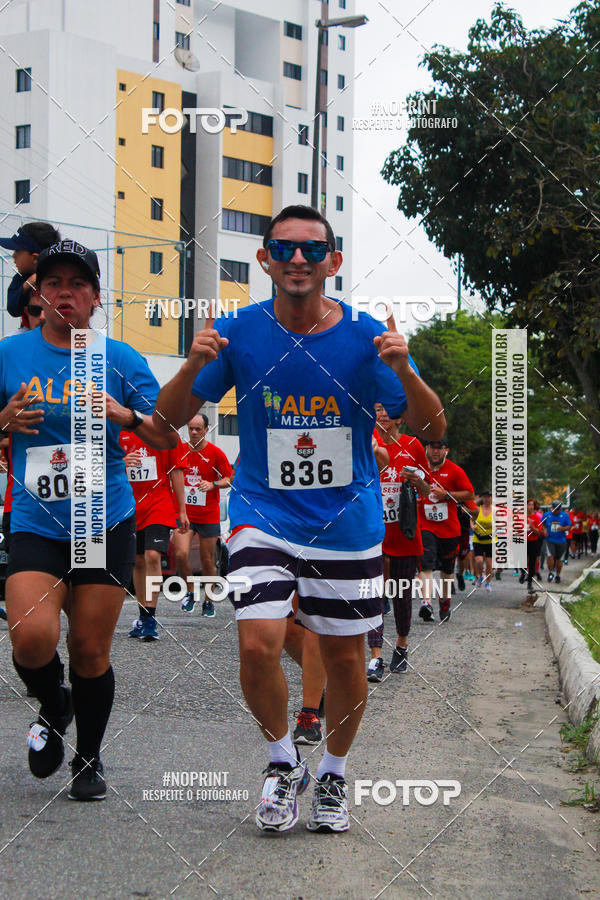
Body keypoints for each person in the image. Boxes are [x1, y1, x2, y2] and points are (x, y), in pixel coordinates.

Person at [153, 204, 445, 834]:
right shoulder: (238, 332)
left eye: (312, 249)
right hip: (262, 511)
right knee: (257, 641)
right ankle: (283, 762)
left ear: (332, 262)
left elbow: (431, 427)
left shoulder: (368, 337)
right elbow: (166, 419)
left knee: (344, 659)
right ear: (264, 260)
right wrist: (191, 365)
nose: (297, 259)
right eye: (283, 248)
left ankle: (334, 773)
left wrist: (402, 369)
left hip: (345, 522)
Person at [1, 240, 175, 801]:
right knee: (31, 639)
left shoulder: (120, 358)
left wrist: (124, 414)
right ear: (38, 292)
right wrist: (3, 420)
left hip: (102, 520)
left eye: (78, 283)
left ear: (96, 297)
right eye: (53, 282)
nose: (65, 293)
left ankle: (88, 757)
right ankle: (55, 705)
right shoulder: (9, 355)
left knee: (90, 650)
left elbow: (165, 435)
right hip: (36, 520)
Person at [367, 404, 429, 680]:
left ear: (400, 417)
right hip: (372, 533)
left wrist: (416, 481)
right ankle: (375, 656)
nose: (382, 415)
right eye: (377, 410)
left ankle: (402, 645)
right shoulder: (365, 441)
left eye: (387, 410)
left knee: (401, 594)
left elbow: (427, 489)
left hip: (404, 532)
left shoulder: (413, 446)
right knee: (373, 594)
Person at [119, 432, 186, 641]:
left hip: (159, 504)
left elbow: (176, 471)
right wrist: (121, 462)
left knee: (152, 556)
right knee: (138, 561)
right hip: (129, 505)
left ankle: (150, 616)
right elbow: (101, 465)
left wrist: (182, 510)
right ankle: (142, 615)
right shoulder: (119, 430)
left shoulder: (166, 432)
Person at [173, 413, 233, 617]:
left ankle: (209, 600)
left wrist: (213, 484)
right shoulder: (180, 450)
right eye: (191, 428)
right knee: (181, 554)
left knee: (207, 560)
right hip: (184, 513)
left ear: (206, 430)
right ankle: (190, 592)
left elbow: (229, 478)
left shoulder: (215, 453)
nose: (193, 432)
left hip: (208, 514)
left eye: (198, 429)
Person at [419, 438, 474, 622]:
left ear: (446, 450)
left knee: (447, 570)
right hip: (425, 525)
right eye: (432, 448)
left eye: (440, 448)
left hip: (449, 529)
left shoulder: (454, 470)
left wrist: (447, 494)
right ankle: (426, 603)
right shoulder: (419, 468)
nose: (435, 452)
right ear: (426, 448)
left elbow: (469, 493)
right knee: (425, 564)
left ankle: (444, 600)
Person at [0, 222, 60, 324]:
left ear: (35, 258)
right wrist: (27, 285)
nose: (13, 256)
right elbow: (13, 309)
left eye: (17, 251)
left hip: (59, 329)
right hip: (30, 329)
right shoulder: (20, 278)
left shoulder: (61, 278)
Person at [541, 500, 571, 583]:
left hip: (561, 540)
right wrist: (544, 530)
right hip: (550, 539)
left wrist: (562, 528)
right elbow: (542, 524)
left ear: (560, 509)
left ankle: (558, 575)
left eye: (558, 509)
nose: (556, 511)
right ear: (552, 508)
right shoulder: (547, 515)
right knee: (550, 556)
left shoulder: (564, 515)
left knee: (559, 560)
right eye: (555, 509)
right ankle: (550, 573)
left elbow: (569, 526)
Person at [520, 498, 543, 598]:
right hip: (523, 541)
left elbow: (539, 532)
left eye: (532, 505)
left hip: (533, 541)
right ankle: (522, 573)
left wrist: (532, 526)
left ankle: (529, 582)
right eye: (529, 504)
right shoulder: (521, 517)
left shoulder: (536, 518)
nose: (531, 507)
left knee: (532, 562)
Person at [472, 490, 494, 591]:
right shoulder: (478, 509)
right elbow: (471, 519)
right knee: (479, 560)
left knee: (489, 563)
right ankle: (480, 576)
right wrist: (472, 526)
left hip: (490, 540)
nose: (487, 499)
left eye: (488, 497)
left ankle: (488, 583)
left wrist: (495, 524)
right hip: (478, 538)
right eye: (485, 497)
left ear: (491, 498)